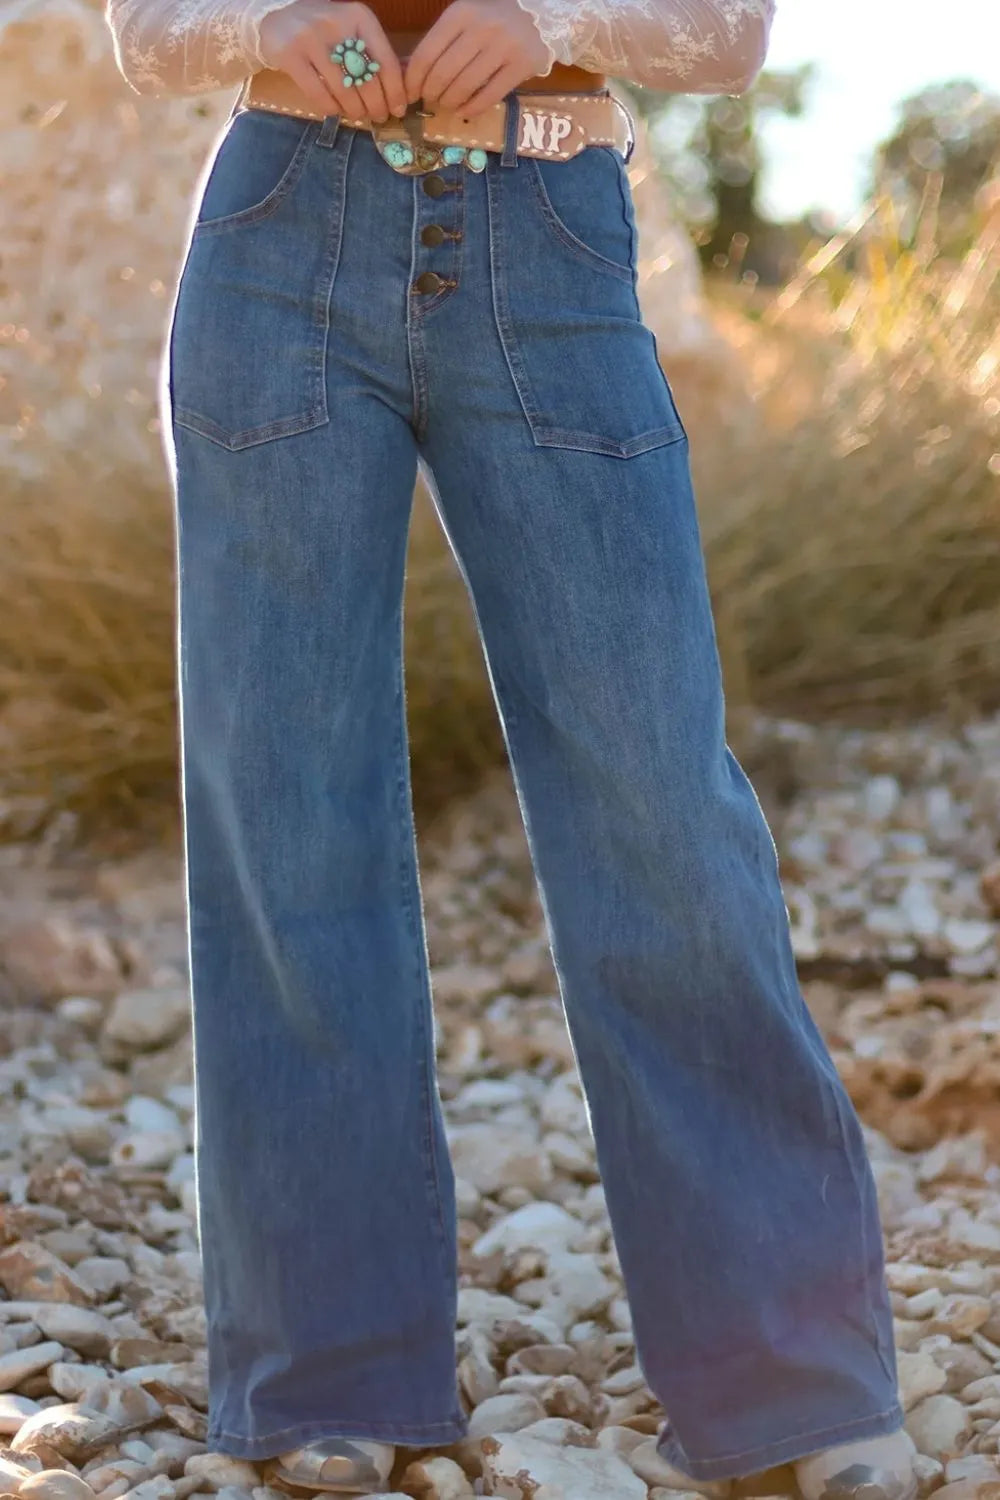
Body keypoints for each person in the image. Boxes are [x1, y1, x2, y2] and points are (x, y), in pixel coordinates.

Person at [103, 0, 919, 1493]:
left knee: (657, 797)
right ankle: (324, 1372)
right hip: (278, 238)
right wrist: (273, 27)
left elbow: (729, 33)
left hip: (546, 232)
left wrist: (539, 16)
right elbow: (145, 27)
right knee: (286, 811)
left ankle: (790, 1376)